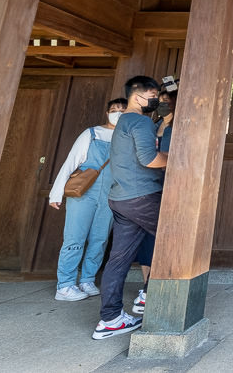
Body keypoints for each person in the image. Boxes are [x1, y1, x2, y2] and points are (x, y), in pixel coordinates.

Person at [92, 76, 167, 340]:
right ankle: (150, 297)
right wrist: (177, 158)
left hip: (122, 198)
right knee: (174, 241)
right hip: (142, 196)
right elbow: (149, 159)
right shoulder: (140, 120)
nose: (157, 99)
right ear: (138, 96)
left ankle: (110, 318)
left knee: (119, 259)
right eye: (154, 94)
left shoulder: (124, 121)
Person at [48, 98, 127, 301]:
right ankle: (64, 285)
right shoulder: (91, 133)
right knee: (75, 237)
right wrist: (56, 193)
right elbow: (71, 162)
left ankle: (87, 279)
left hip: (110, 194)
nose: (117, 113)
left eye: (122, 110)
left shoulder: (127, 137)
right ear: (107, 113)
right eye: (113, 110)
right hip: (85, 192)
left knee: (100, 239)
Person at [132, 85, 177, 315]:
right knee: (147, 235)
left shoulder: (178, 126)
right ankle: (146, 285)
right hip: (147, 186)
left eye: (167, 100)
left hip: (170, 186)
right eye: (159, 99)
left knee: (162, 233)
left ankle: (154, 287)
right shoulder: (152, 125)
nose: (162, 103)